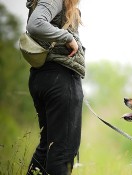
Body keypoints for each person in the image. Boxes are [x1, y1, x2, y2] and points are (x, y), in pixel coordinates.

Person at [25, 0, 85, 174]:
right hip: (59, 78)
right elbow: (35, 24)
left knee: (48, 147)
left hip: (45, 76)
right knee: (62, 151)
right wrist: (67, 38)